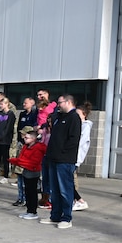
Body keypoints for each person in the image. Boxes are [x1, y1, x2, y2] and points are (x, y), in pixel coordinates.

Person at [39, 95, 81, 229]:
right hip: (53, 158)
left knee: (65, 189)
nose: (58, 105)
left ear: (68, 102)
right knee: (55, 189)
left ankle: (66, 217)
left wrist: (62, 153)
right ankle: (55, 216)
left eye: (60, 103)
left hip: (65, 160)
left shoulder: (74, 118)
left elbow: (73, 140)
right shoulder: (59, 117)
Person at [10, 127, 47, 220]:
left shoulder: (38, 148)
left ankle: (33, 211)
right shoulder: (26, 147)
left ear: (33, 139)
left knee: (32, 192)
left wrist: (19, 162)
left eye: (27, 137)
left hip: (33, 172)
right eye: (24, 137)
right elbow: (22, 159)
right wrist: (16, 161)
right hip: (26, 171)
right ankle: (29, 210)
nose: (24, 139)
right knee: (27, 191)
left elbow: (33, 162)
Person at [72, 102, 93, 211]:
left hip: (75, 157)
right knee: (67, 180)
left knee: (69, 180)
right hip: (71, 156)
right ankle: (76, 200)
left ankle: (80, 200)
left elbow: (80, 142)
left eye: (78, 114)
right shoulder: (77, 125)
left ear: (84, 114)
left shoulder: (85, 126)